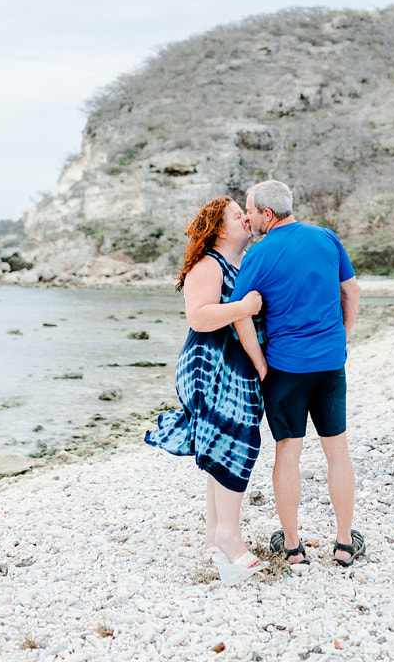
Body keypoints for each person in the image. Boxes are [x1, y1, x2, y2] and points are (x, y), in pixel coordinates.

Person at [229, 180, 363, 567]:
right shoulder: (326, 238)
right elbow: (351, 292)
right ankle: (342, 544)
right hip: (329, 364)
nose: (248, 218)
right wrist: (341, 338)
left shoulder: (258, 255)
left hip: (285, 368)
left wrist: (259, 363)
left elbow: (240, 314)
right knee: (337, 450)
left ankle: (291, 547)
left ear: (267, 215)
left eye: (251, 211)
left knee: (288, 453)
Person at [144, 196, 268, 583]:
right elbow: (198, 317)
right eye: (237, 216)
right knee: (238, 443)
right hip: (211, 365)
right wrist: (245, 306)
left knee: (222, 445)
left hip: (232, 364)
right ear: (219, 229)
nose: (245, 219)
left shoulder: (238, 263)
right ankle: (230, 539)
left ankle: (215, 537)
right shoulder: (209, 264)